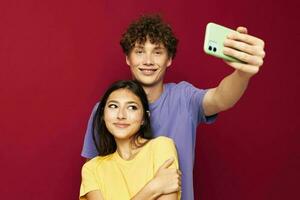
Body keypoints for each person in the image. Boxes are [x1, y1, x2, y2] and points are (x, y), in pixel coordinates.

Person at [81, 15, 266, 200]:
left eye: (157, 52)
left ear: (169, 59)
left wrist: (242, 74)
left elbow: (220, 98)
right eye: (139, 51)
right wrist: (153, 188)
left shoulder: (183, 98)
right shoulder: (105, 112)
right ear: (128, 58)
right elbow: (96, 176)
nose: (148, 60)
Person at [80, 80, 180, 200]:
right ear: (103, 115)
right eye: (113, 106)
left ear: (144, 118)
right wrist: (153, 188)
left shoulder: (162, 146)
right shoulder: (91, 169)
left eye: (132, 107)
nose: (121, 115)